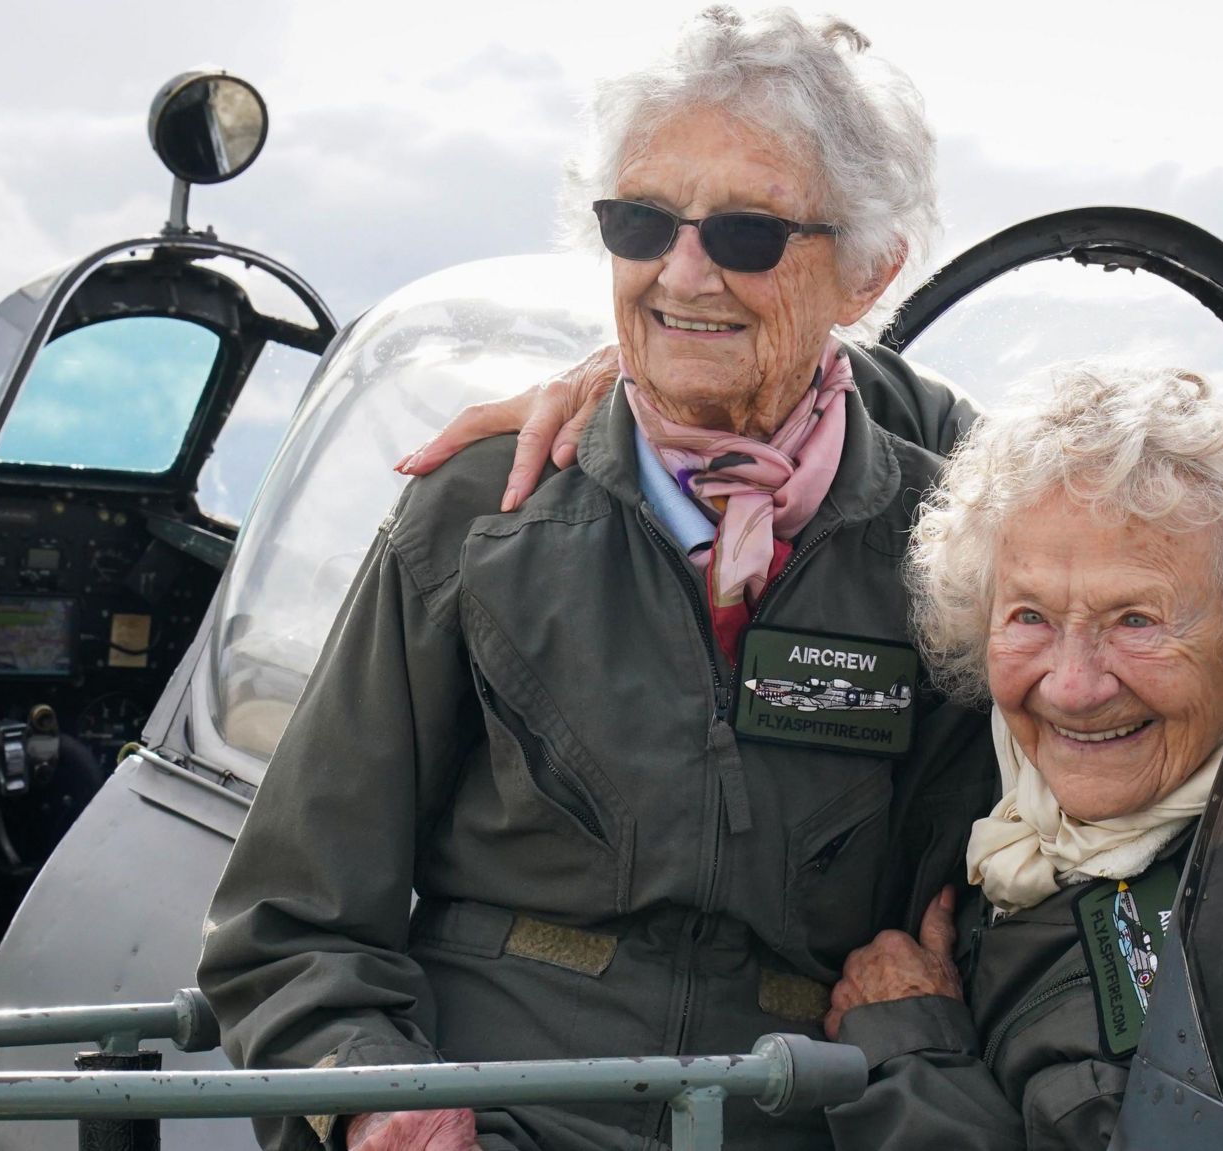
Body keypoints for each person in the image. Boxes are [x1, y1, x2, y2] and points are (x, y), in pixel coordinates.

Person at [197, 9, 993, 1151]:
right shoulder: (483, 510)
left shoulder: (950, 553)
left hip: (797, 1118)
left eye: (746, 233)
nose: (681, 272)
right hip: (496, 1119)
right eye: (638, 221)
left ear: (865, 273)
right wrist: (371, 1090)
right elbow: (287, 921)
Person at [816, 362, 1223, 1150]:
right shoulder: (999, 789)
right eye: (1031, 615)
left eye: (1137, 620)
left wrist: (913, 1053)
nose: (1073, 688)